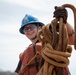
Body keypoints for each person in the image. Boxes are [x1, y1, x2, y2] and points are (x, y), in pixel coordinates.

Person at [15, 9, 74, 75]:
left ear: (40, 28)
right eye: (25, 29)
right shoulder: (24, 55)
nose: (29, 30)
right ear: (24, 32)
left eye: (32, 27)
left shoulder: (52, 43)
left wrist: (64, 22)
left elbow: (72, 40)